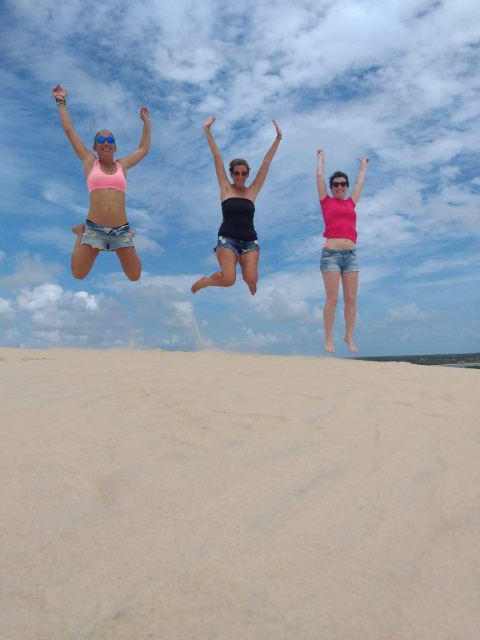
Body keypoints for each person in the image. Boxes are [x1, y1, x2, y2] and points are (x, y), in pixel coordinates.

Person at [52, 85, 151, 281]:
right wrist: (60, 101)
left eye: (110, 140)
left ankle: (130, 238)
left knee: (135, 276)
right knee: (78, 274)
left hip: (121, 229)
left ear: (115, 147)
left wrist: (146, 122)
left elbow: (143, 150)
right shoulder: (90, 162)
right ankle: (80, 233)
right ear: (95, 147)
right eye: (101, 140)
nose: (106, 142)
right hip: (94, 228)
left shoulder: (122, 165)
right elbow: (69, 130)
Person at [191, 115, 282, 295]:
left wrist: (278, 138)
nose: (240, 177)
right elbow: (217, 157)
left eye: (244, 173)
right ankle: (206, 281)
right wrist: (207, 129)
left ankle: (250, 280)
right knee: (229, 280)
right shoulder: (226, 188)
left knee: (251, 279)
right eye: (236, 173)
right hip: (228, 239)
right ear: (232, 174)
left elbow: (266, 162)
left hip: (249, 240)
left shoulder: (252, 191)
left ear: (248, 174)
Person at [316, 149, 369, 353]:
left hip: (351, 256)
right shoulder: (326, 202)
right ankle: (329, 338)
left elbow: (359, 183)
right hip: (331, 255)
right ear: (331, 188)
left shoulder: (350, 203)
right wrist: (321, 159)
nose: (340, 187)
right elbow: (319, 177)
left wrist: (363, 166)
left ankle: (349, 337)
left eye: (343, 184)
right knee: (332, 298)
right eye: (336, 184)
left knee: (351, 299)